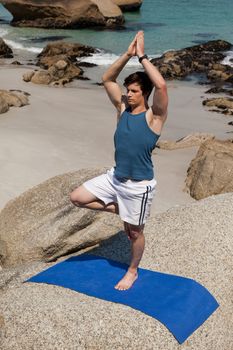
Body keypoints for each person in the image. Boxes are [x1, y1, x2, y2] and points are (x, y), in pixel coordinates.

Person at [70, 31, 168, 291]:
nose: (129, 94)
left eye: (134, 91)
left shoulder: (154, 117)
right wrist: (127, 54)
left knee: (134, 233)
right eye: (127, 90)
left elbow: (161, 86)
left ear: (144, 94)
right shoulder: (122, 108)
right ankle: (120, 209)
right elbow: (106, 78)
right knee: (77, 197)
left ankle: (132, 271)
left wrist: (143, 56)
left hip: (138, 186)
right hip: (115, 178)